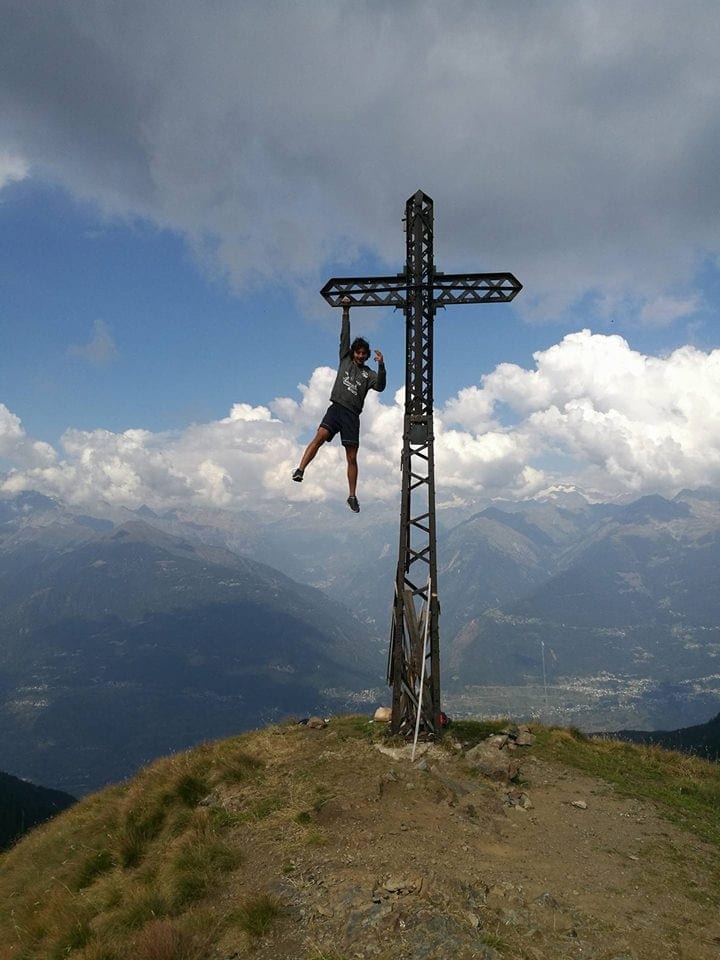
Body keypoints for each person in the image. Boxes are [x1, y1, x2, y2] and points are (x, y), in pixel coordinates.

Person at [293, 305, 385, 512]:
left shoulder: (369, 374)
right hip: (336, 408)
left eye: (364, 354)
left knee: (351, 457)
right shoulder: (345, 359)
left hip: (352, 415)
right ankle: (300, 469)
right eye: (358, 352)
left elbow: (380, 386)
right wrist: (346, 311)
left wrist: (381, 366)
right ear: (353, 352)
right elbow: (344, 335)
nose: (360, 356)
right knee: (319, 437)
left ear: (368, 356)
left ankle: (352, 496)